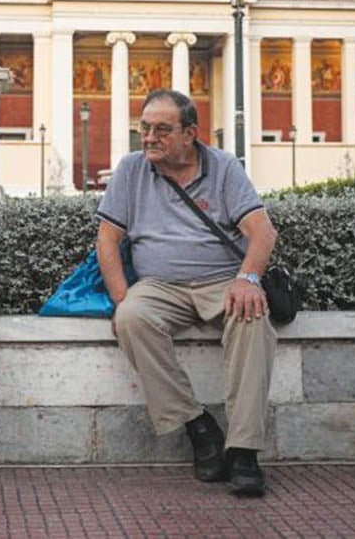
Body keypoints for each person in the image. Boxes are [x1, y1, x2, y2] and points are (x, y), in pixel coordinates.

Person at [96, 89, 279, 497]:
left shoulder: (224, 167)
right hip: (159, 286)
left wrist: (247, 279)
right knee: (130, 318)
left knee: (253, 320)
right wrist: (122, 297)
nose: (148, 137)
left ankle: (244, 450)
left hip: (222, 282)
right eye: (144, 128)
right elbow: (107, 241)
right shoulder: (130, 169)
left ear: (190, 133)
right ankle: (199, 427)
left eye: (162, 129)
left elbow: (262, 232)